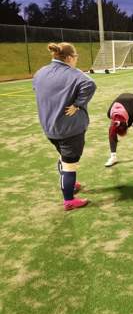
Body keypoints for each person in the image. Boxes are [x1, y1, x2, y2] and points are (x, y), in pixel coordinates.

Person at [33, 43, 96, 210]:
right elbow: (90, 84)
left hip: (49, 128)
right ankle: (69, 200)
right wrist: (78, 104)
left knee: (63, 157)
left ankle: (70, 184)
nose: (76, 61)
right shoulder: (74, 74)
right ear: (68, 58)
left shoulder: (40, 72)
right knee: (69, 164)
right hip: (70, 130)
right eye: (75, 57)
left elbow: (37, 89)